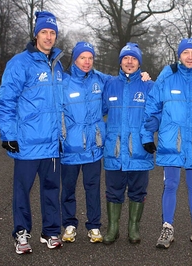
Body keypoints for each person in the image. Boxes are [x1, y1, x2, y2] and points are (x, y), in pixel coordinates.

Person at [141, 37, 192, 250]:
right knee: (171, 185)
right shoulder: (167, 80)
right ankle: (167, 227)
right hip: (171, 143)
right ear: (179, 55)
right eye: (186, 53)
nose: (190, 57)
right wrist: (147, 135)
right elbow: (152, 110)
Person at [0, 11, 63, 254]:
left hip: (52, 145)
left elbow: (62, 102)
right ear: (36, 35)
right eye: (44, 32)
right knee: (22, 191)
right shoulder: (19, 63)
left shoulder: (58, 64)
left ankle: (51, 231)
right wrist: (8, 134)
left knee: (51, 190)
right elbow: (6, 100)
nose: (48, 37)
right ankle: (22, 234)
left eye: (52, 32)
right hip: (27, 143)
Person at [101, 42, 154, 245]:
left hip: (139, 149)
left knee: (138, 190)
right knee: (113, 190)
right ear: (120, 62)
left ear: (139, 62)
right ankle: (113, 228)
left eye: (133, 58)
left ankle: (133, 227)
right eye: (126, 58)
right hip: (114, 149)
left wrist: (148, 135)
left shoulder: (149, 85)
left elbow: (155, 114)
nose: (129, 62)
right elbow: (100, 110)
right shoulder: (110, 84)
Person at [60, 42, 109, 244]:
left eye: (90, 58)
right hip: (71, 148)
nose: (87, 62)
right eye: (83, 57)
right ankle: (69, 224)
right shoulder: (63, 82)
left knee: (93, 188)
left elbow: (120, 83)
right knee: (68, 188)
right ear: (75, 59)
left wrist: (143, 76)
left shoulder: (99, 80)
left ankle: (94, 226)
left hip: (93, 148)